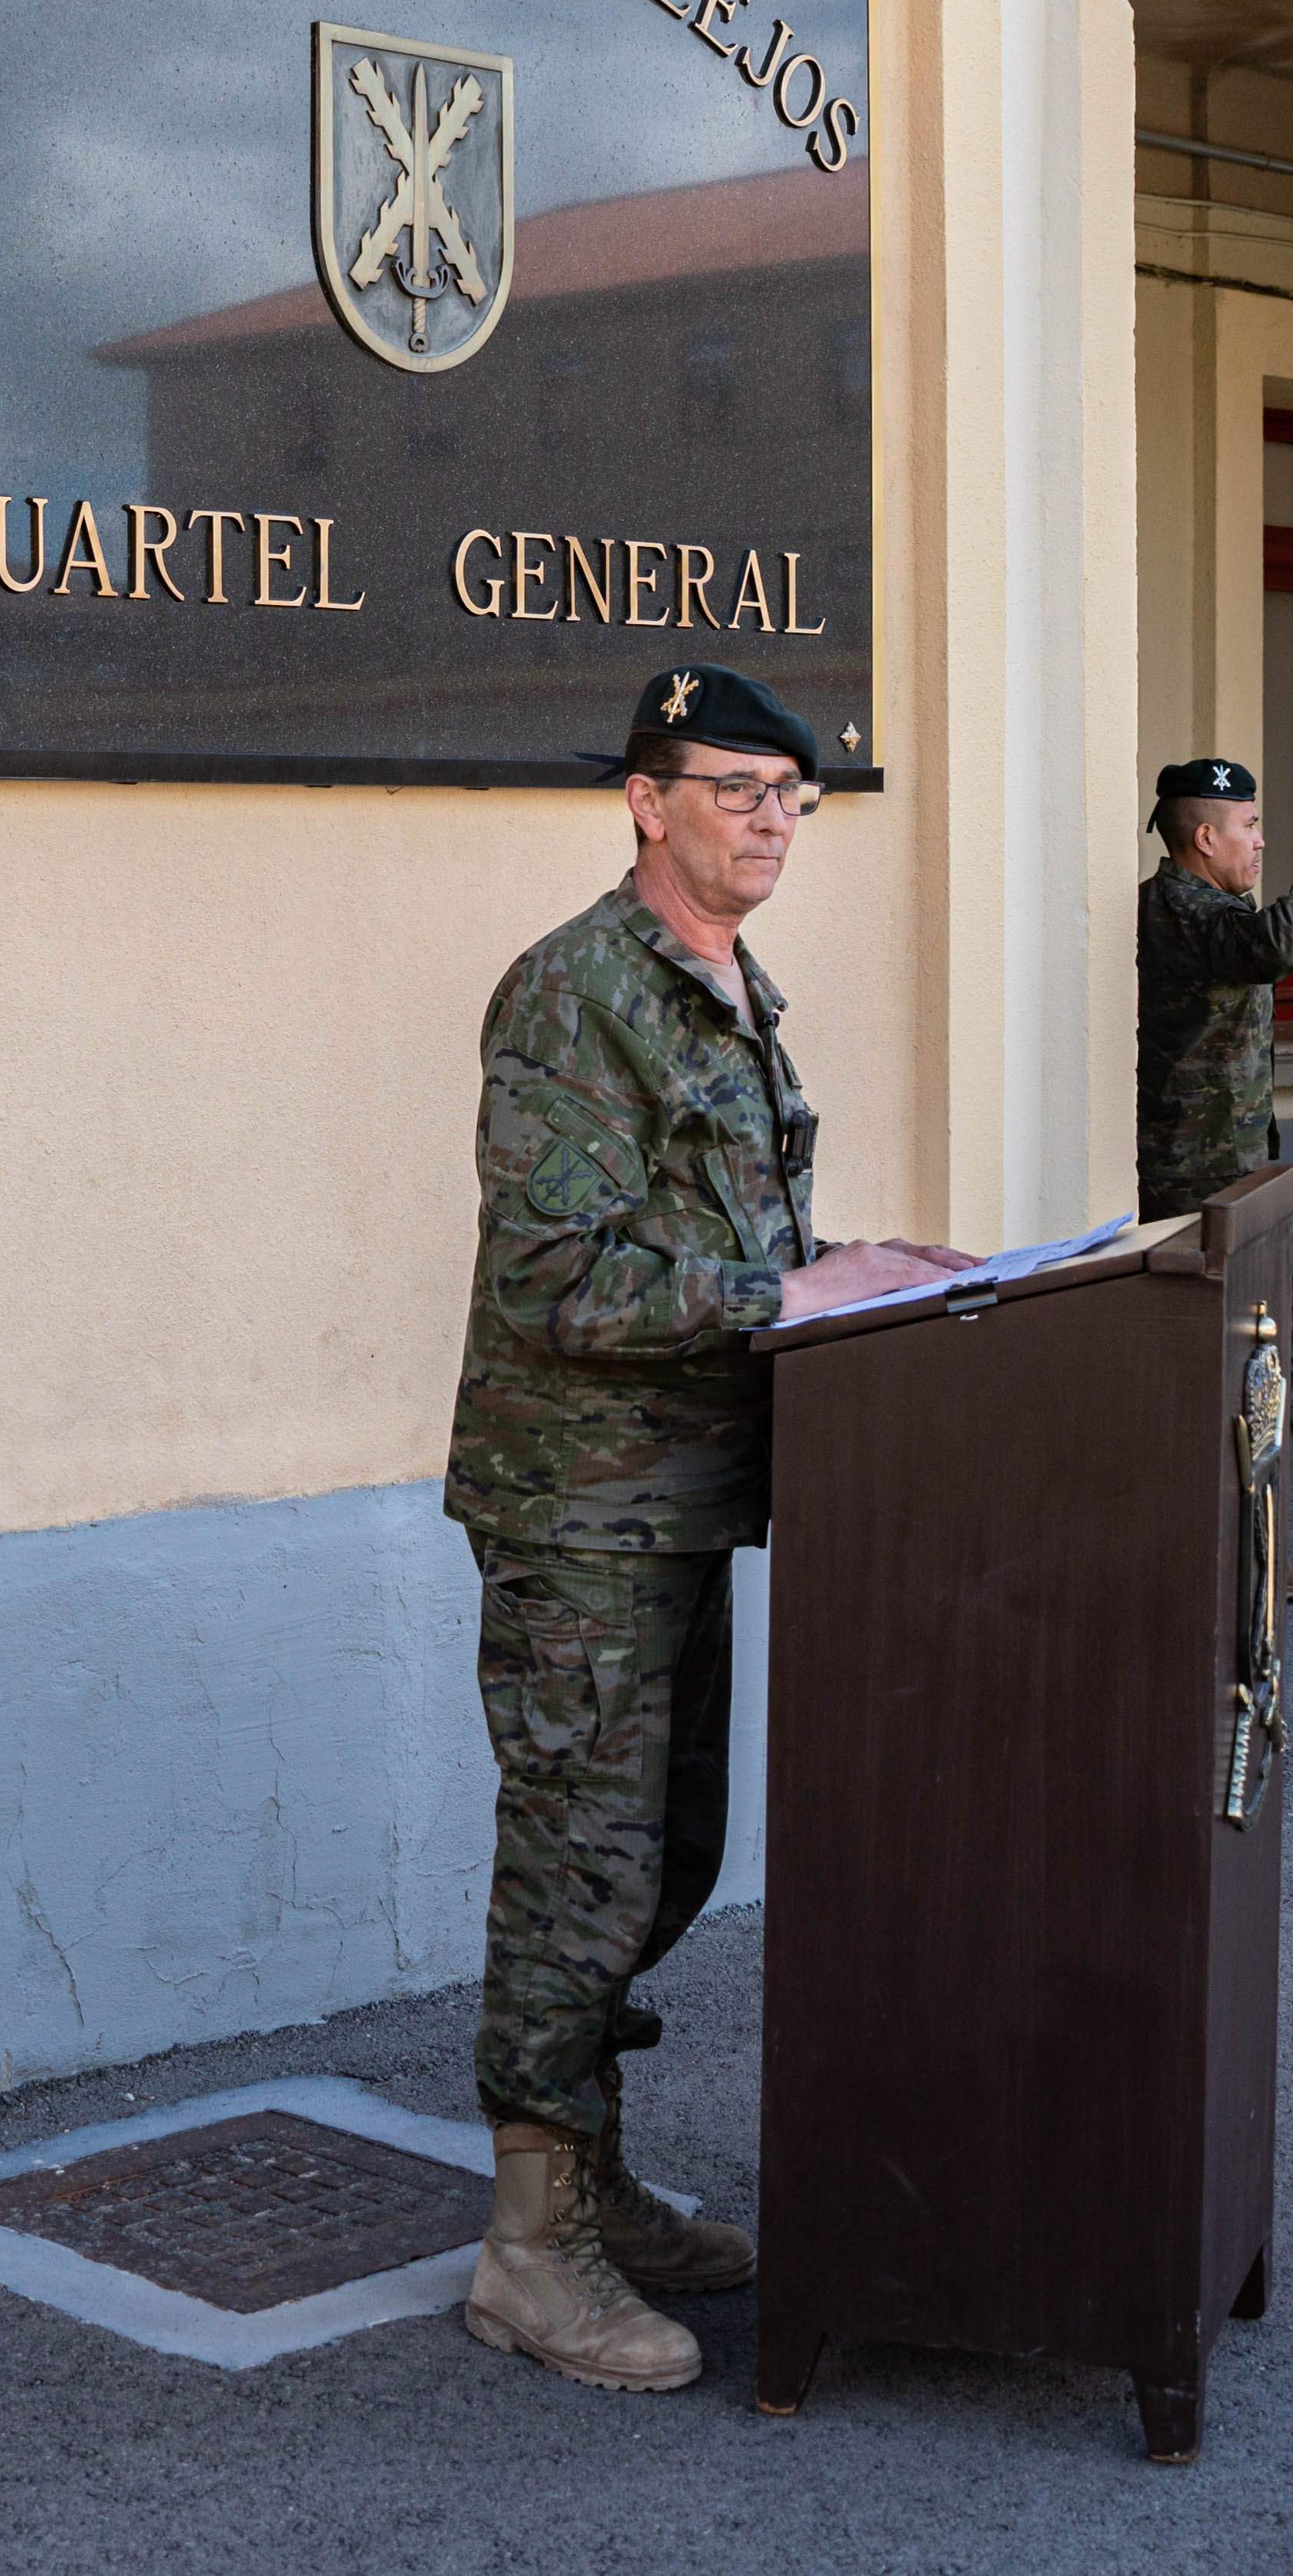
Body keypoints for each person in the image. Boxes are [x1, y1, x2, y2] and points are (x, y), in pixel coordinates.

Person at [441, 664, 967, 2397]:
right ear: (642, 798)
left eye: (787, 795)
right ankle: (528, 2246)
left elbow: (727, 1243)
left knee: (662, 1858)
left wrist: (860, 1278)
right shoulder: (576, 990)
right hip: (579, 1506)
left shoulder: (734, 990)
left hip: (683, 1499)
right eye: (731, 786)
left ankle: (586, 2170)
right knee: (578, 1868)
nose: (766, 819)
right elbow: (551, 1273)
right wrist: (791, 1288)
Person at [1135, 757, 1293, 1450]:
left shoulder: (1192, 907)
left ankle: (1249, 1536)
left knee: (1257, 1343)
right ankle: (1239, 1529)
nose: (1262, 840)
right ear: (1206, 839)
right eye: (1250, 824)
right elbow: (1280, 944)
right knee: (1283, 1338)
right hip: (1202, 1176)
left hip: (1224, 1169)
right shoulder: (1185, 907)